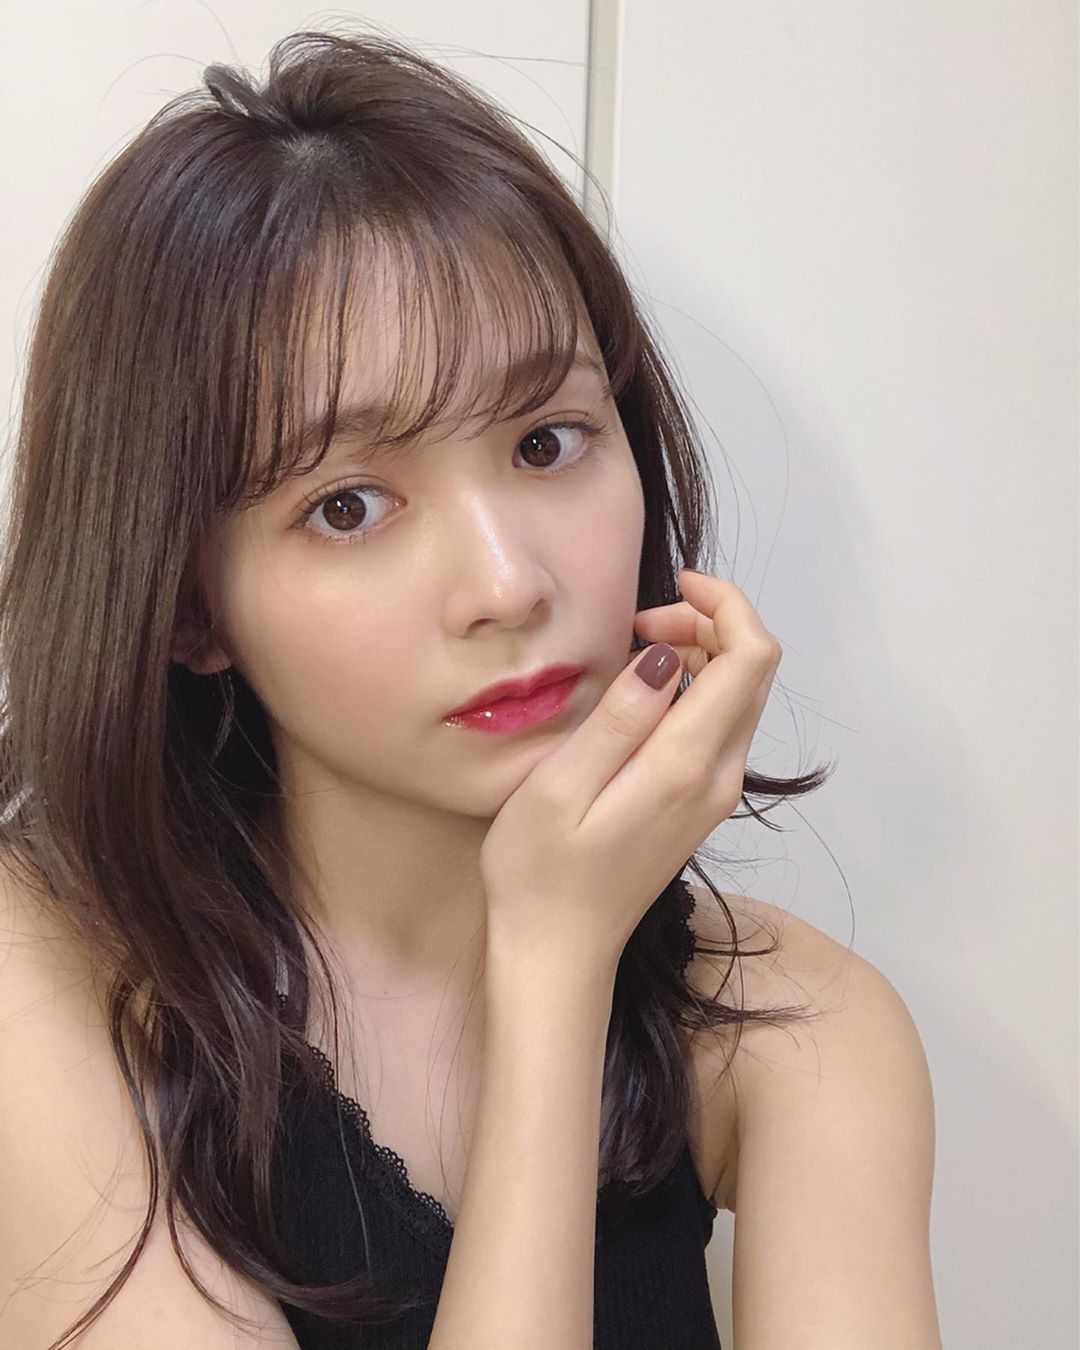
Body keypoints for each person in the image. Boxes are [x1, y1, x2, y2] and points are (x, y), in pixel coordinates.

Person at [0, 25, 941, 1350]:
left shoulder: (800, 1025)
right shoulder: (45, 976)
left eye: (547, 440)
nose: (507, 583)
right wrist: (552, 963)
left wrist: (561, 951)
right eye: (347, 506)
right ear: (193, 607)